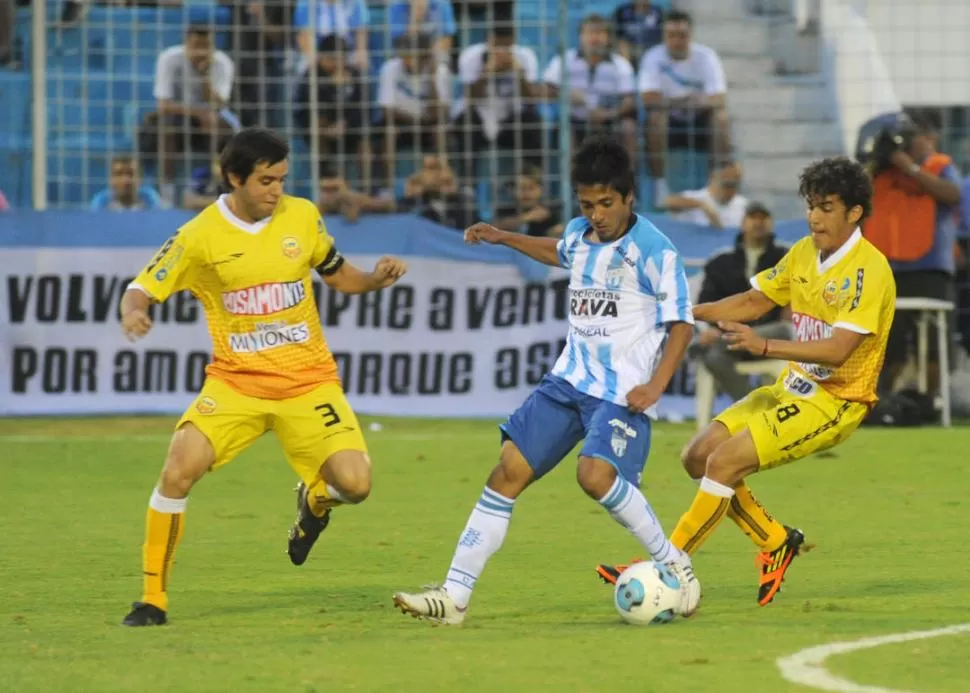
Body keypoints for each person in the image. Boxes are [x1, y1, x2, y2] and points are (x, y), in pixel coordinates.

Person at [391, 135, 701, 625]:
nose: (596, 214)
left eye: (605, 204)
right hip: (567, 380)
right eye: (586, 204)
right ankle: (454, 596)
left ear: (628, 198)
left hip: (621, 391)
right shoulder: (579, 234)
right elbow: (559, 251)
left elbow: (682, 323)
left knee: (594, 475)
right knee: (506, 471)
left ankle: (672, 562)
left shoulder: (655, 251)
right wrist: (503, 236)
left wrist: (657, 385)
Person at [118, 128, 408, 627]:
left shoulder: (302, 215)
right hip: (235, 384)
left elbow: (338, 273)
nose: (277, 190)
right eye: (265, 181)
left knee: (356, 485)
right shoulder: (199, 236)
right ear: (234, 179)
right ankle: (151, 599)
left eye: (281, 179)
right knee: (176, 471)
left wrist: (374, 280)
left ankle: (313, 500)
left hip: (309, 382)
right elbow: (141, 287)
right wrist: (134, 312)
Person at [596, 157, 896, 606]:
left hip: (835, 401)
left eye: (827, 207)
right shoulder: (803, 253)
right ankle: (775, 541)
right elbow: (755, 301)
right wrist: (685, 311)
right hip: (793, 388)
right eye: (812, 205)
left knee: (723, 463)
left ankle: (666, 565)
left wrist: (765, 348)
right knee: (697, 456)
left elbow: (837, 351)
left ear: (854, 213)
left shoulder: (867, 271)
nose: (814, 216)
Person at [690, 202, 791, 401]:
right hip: (730, 339)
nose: (758, 223)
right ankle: (757, 405)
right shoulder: (720, 262)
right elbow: (706, 300)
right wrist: (711, 329)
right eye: (753, 218)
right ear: (743, 223)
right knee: (713, 357)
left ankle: (753, 407)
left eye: (764, 218)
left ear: (771, 224)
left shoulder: (785, 257)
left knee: (712, 346)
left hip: (774, 333)